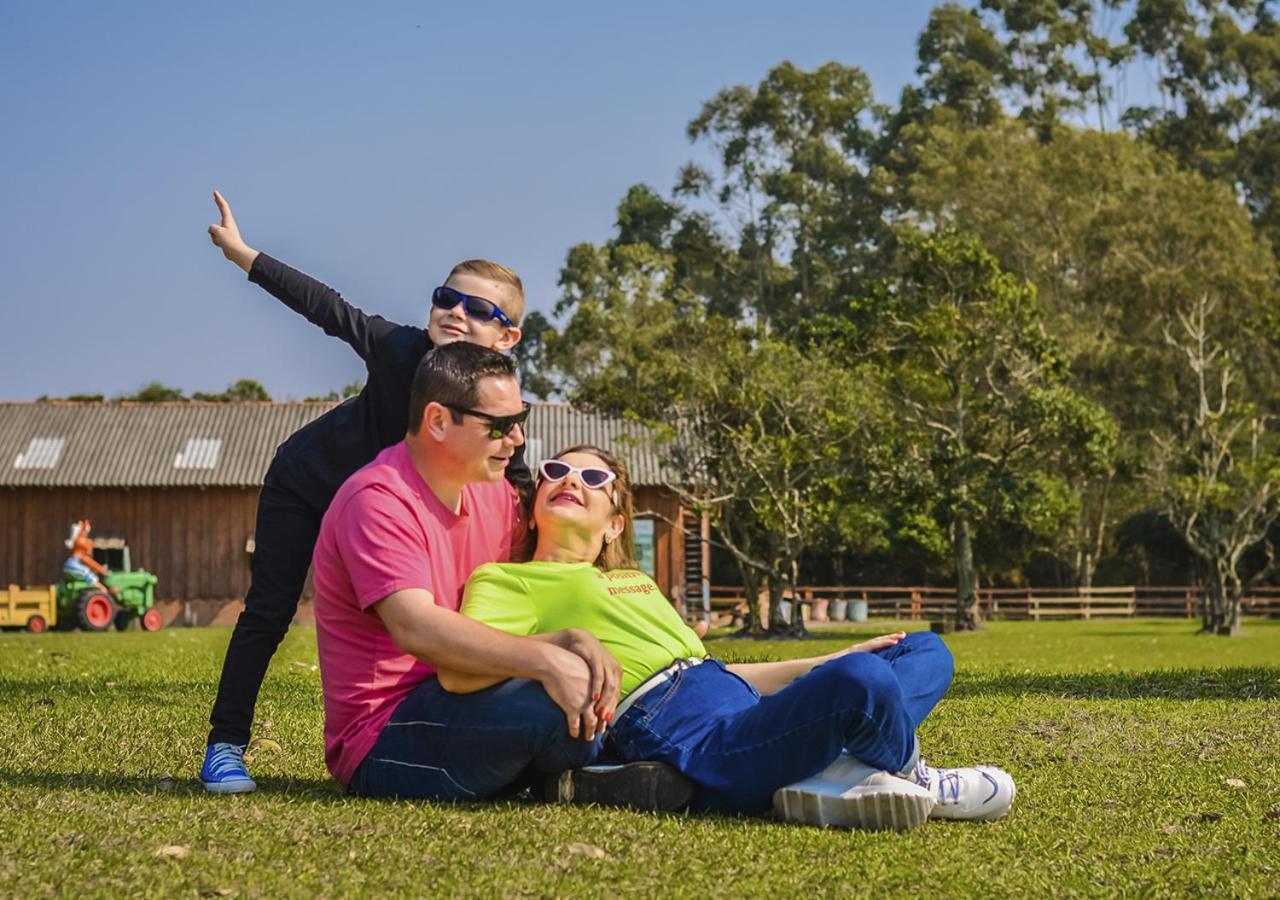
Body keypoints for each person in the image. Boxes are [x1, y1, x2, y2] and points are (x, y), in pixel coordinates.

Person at [450, 445, 1018, 830]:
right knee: (863, 682)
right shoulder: (509, 580)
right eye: (555, 471)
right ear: (533, 503)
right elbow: (461, 669)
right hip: (681, 733)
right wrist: (560, 643)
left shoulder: (633, 581)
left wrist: (832, 655)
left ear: (614, 524)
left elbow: (713, 668)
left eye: (592, 478)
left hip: (731, 697)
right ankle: (912, 777)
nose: (569, 479)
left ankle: (841, 769)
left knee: (924, 650)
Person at [200, 192, 531, 793]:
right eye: (445, 297)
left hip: (388, 513)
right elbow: (326, 306)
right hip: (310, 483)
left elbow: (517, 482)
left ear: (508, 336)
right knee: (269, 611)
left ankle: (435, 725)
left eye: (478, 308)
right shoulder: (399, 348)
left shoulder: (497, 402)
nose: (455, 312)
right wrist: (242, 254)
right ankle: (225, 746)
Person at [312, 343, 670, 805]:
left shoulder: (492, 494)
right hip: (386, 736)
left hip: (471, 692)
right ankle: (611, 769)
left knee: (580, 686)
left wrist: (587, 636)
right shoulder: (378, 500)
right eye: (499, 425)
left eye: (519, 419)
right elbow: (414, 627)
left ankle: (600, 770)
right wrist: (550, 655)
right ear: (438, 421)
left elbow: (553, 572)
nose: (517, 439)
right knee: (557, 704)